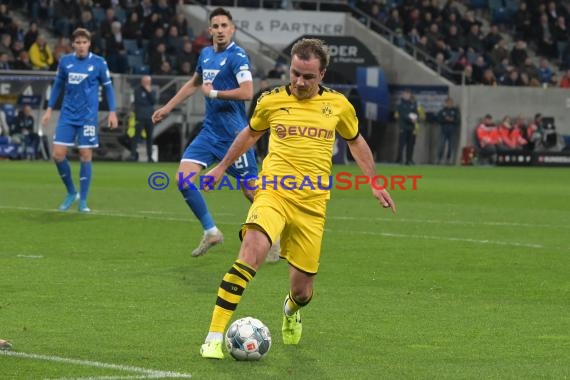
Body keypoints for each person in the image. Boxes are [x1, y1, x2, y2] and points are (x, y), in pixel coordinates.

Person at [197, 38, 396, 359]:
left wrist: (374, 181)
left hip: (312, 205)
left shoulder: (339, 106)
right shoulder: (270, 101)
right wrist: (221, 166)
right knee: (251, 252)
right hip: (273, 192)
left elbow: (356, 142)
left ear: (323, 75)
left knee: (302, 291)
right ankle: (214, 336)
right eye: (295, 74)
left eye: (308, 77)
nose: (300, 82)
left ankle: (291, 311)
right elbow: (250, 133)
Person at [152, 8, 272, 259]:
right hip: (209, 133)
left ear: (232, 29)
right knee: (182, 180)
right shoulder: (205, 55)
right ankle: (211, 231)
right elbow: (194, 83)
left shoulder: (238, 56)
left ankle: (277, 233)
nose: (219, 30)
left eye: (224, 26)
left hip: (235, 135)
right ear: (209, 31)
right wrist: (168, 107)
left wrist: (215, 93)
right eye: (215, 26)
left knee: (252, 192)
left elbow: (248, 92)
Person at [41, 28, 118, 213]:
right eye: (78, 42)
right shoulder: (65, 61)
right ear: (73, 44)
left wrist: (112, 112)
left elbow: (108, 88)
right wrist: (49, 109)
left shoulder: (99, 63)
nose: (81, 46)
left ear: (89, 44)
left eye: (84, 42)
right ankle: (71, 192)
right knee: (57, 155)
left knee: (85, 154)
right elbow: (58, 85)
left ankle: (83, 201)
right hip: (67, 115)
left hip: (88, 117)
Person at [130, 75, 156, 162]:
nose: (146, 83)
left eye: (148, 81)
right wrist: (146, 102)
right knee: (136, 137)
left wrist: (148, 92)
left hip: (150, 117)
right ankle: (133, 155)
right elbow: (138, 101)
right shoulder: (137, 90)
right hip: (140, 116)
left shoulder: (152, 91)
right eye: (145, 81)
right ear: (142, 81)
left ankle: (150, 156)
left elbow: (153, 101)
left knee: (150, 137)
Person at [395, 88, 419, 165]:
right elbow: (402, 114)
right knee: (401, 144)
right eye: (406, 94)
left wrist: (415, 118)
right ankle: (399, 159)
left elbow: (416, 113)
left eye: (408, 94)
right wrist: (410, 119)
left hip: (411, 127)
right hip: (403, 127)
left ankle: (409, 159)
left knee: (411, 144)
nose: (407, 95)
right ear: (403, 95)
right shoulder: (400, 104)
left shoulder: (413, 104)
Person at [436, 97, 460, 165]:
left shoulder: (455, 111)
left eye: (450, 103)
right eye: (448, 103)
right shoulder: (442, 111)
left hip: (452, 130)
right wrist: (445, 120)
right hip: (444, 130)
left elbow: (457, 120)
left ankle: (448, 160)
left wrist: (452, 120)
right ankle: (439, 159)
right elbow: (439, 120)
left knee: (450, 146)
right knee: (441, 145)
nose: (449, 104)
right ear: (445, 103)